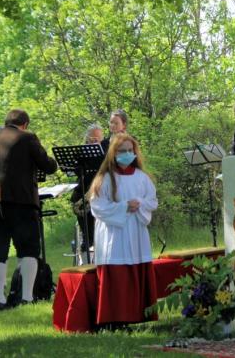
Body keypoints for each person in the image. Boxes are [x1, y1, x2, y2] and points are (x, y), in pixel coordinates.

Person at [0, 109, 58, 310]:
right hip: (20, 200)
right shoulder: (27, 138)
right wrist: (52, 163)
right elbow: (47, 166)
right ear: (25, 124)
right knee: (29, 249)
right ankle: (27, 298)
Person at [89, 133, 159, 328]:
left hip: (135, 230)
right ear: (113, 154)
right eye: (122, 151)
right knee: (117, 272)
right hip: (114, 233)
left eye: (130, 151)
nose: (127, 154)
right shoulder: (105, 179)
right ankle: (114, 319)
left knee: (136, 266)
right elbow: (97, 206)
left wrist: (141, 204)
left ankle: (139, 315)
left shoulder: (142, 178)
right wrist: (123, 207)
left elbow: (152, 201)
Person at [69, 123, 104, 264]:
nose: (94, 141)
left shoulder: (106, 153)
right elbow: (73, 170)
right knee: (87, 235)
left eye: (97, 139)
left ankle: (101, 262)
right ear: (86, 139)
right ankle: (85, 264)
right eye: (91, 139)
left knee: (101, 234)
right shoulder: (80, 154)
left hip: (101, 194)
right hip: (82, 194)